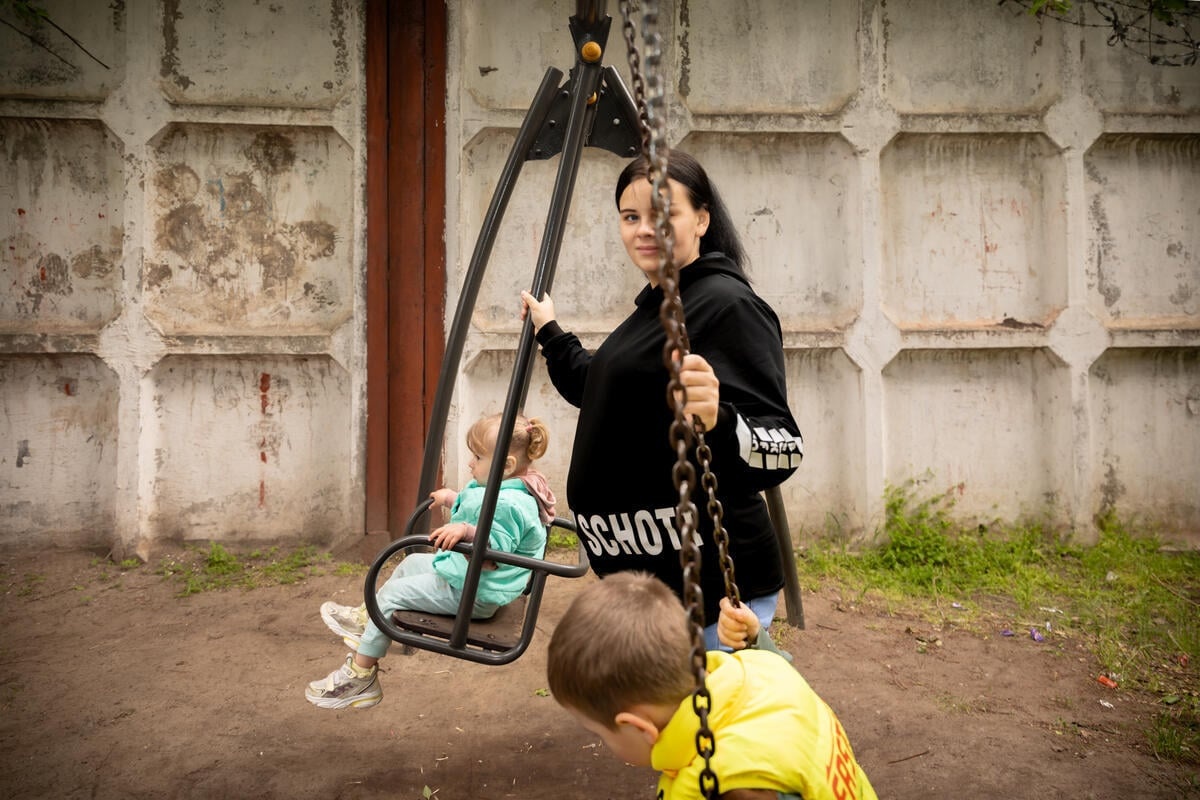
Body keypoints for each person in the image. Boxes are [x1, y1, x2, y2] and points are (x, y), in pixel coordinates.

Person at [520, 149, 803, 649]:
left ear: (701, 220)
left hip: (713, 590)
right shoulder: (649, 316)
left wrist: (719, 419)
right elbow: (597, 387)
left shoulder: (726, 305)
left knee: (720, 722)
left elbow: (784, 446)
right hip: (649, 582)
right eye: (631, 217)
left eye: (663, 214)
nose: (645, 230)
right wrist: (550, 331)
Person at [546, 571, 878, 800]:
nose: (603, 744)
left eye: (600, 734)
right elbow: (778, 667)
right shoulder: (756, 668)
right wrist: (755, 639)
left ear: (638, 727)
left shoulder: (737, 785)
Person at [306, 412, 555, 709]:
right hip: (471, 578)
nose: (470, 463)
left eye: (477, 456)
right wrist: (453, 499)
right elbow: (483, 504)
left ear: (507, 465)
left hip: (475, 592)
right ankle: (366, 618)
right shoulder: (516, 485)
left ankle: (361, 678)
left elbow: (496, 544)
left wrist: (465, 529)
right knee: (411, 563)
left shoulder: (509, 504)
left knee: (392, 596)